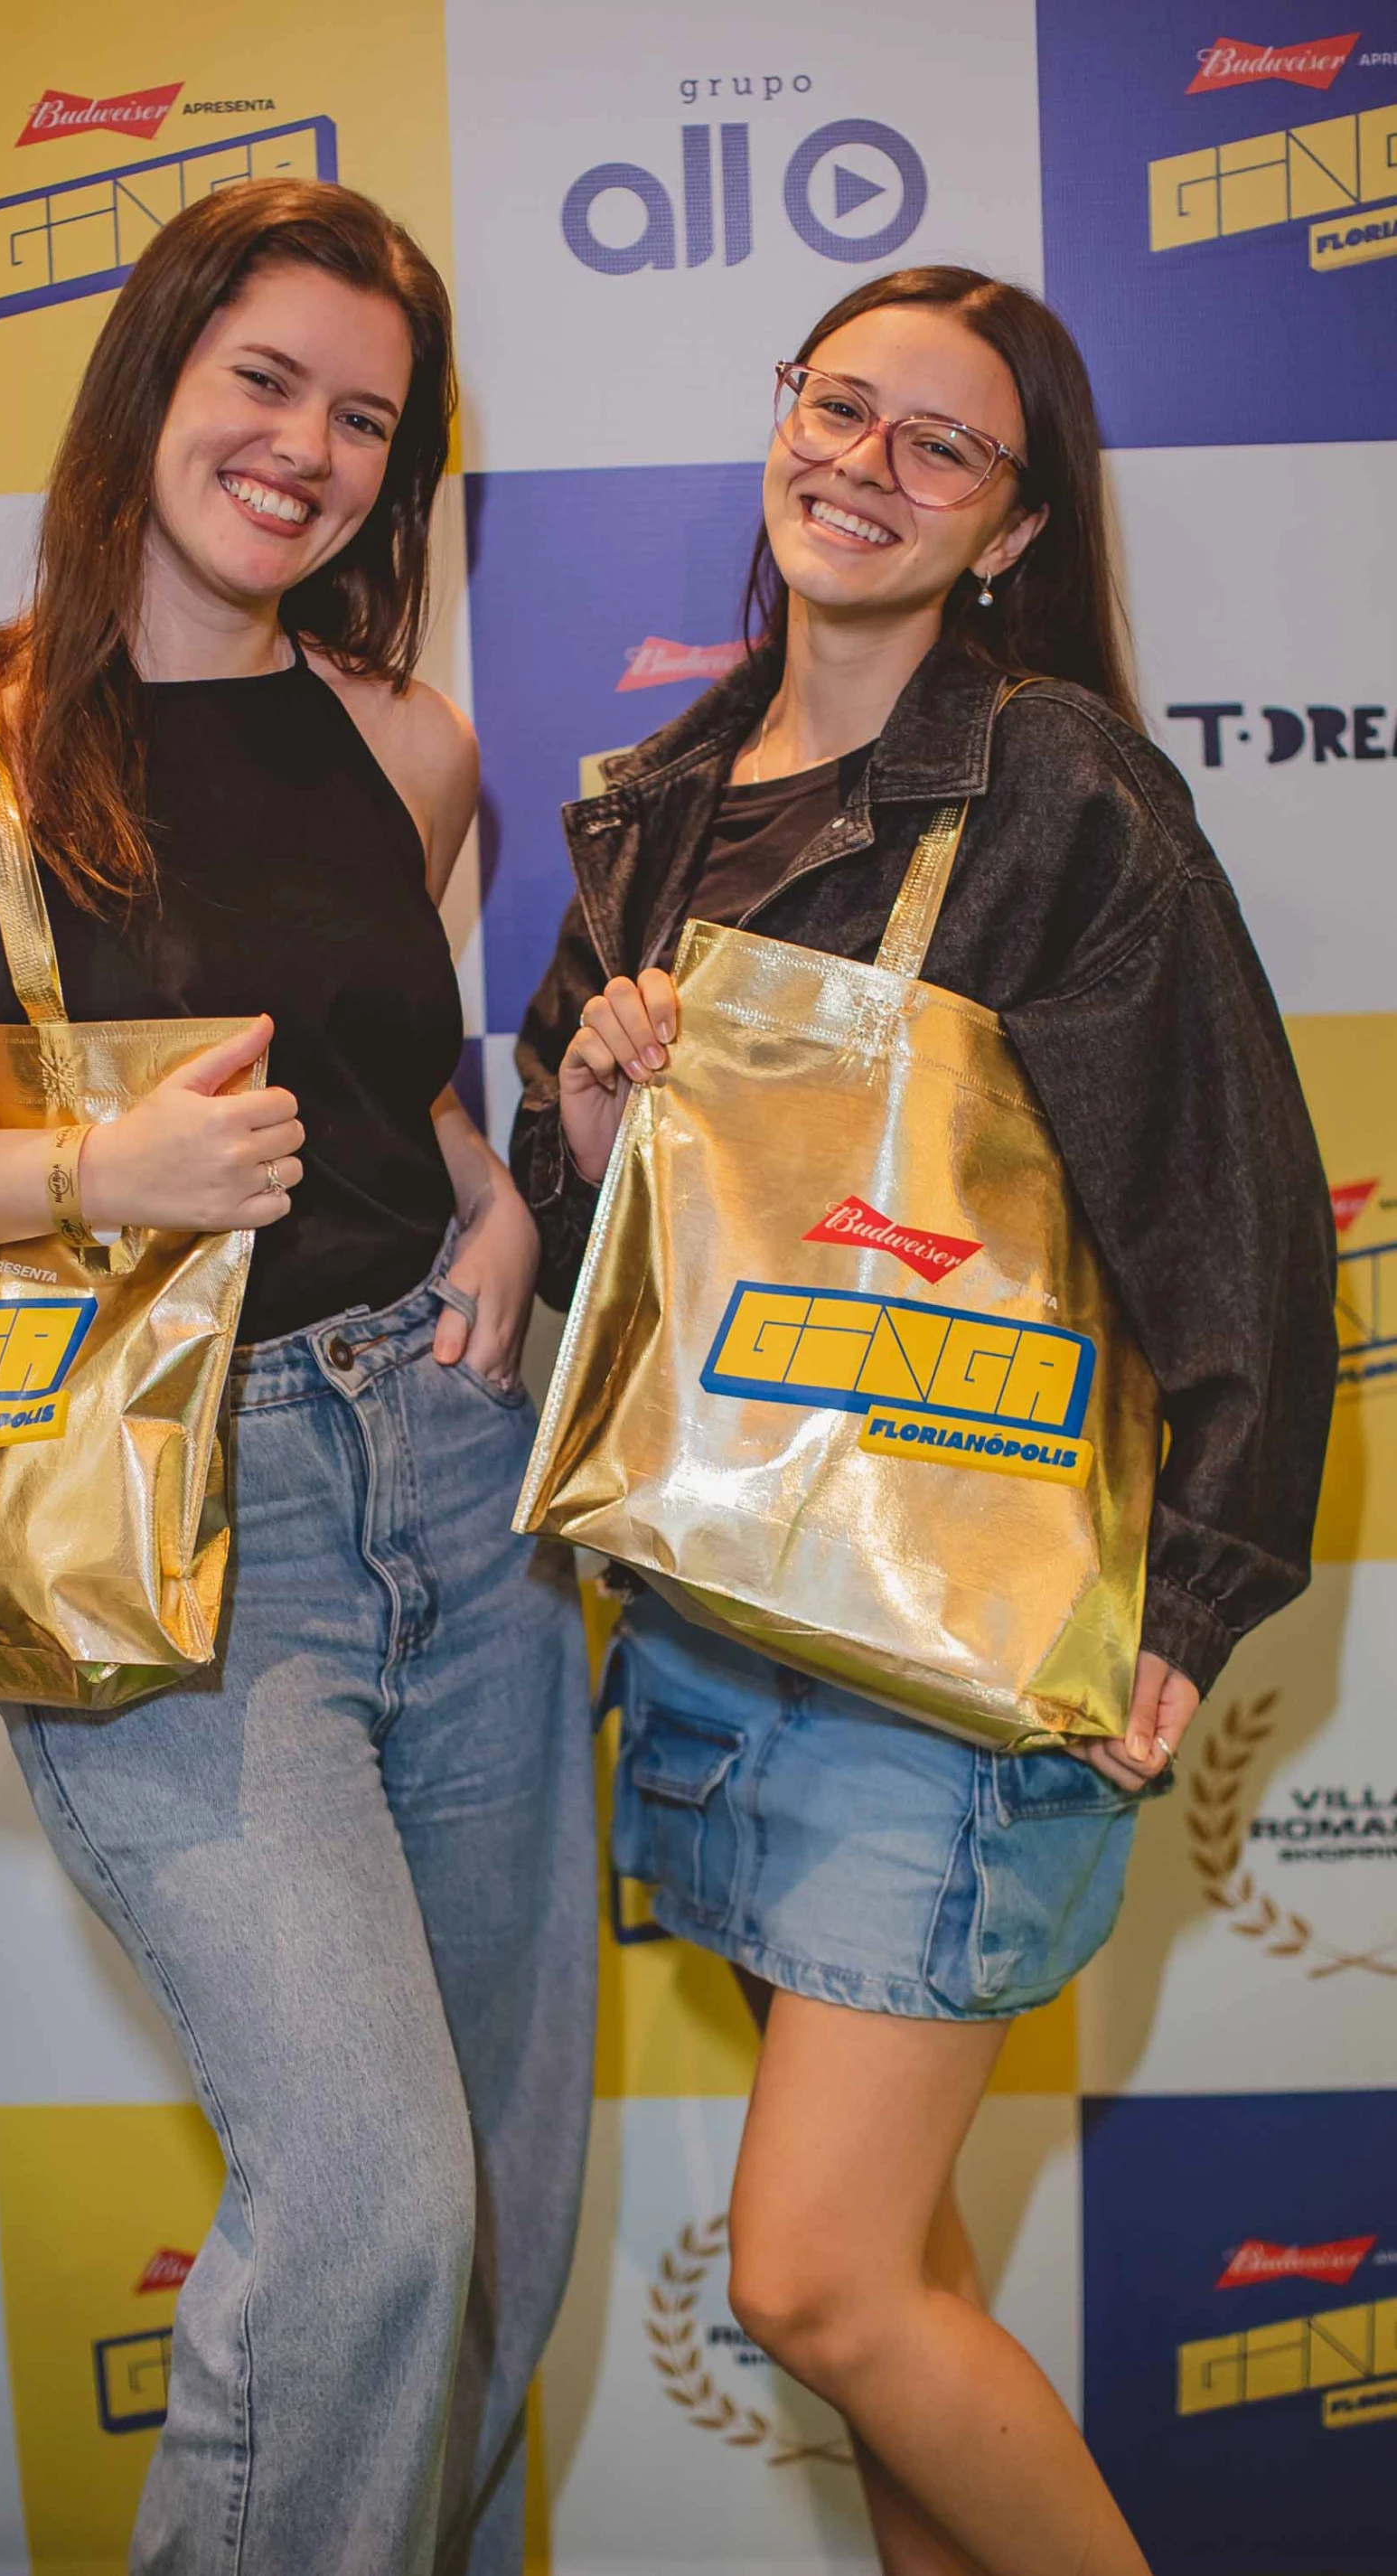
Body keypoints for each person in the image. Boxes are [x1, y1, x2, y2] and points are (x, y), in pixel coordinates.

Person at [0, 179, 595, 2576]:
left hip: (461, 1479)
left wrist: (494, 1194)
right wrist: (92, 1167)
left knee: (495, 2214)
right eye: (265, 382)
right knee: (368, 2203)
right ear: (150, 380)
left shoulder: (409, 739)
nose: (307, 450)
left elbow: (393, 1077)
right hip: (183, 1536)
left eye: (367, 420)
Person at [511, 267, 1336, 2576]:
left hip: (962, 1644)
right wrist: (584, 1111)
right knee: (902, 2280)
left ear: (1008, 527)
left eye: (937, 445)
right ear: (779, 415)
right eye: (836, 405)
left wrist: (1199, 1583)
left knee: (812, 2279)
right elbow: (587, 1243)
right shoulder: (653, 804)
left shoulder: (1061, 789)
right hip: (719, 1607)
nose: (859, 465)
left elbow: (1234, 1209)